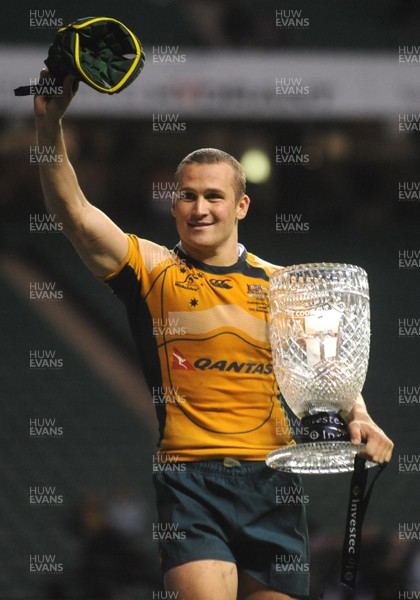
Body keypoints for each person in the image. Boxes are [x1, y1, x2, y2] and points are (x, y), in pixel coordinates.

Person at [34, 70, 394, 600]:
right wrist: (49, 124)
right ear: (173, 203)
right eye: (187, 196)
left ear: (241, 206)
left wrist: (360, 417)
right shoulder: (151, 270)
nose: (199, 208)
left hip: (273, 485)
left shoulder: (283, 287)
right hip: (191, 484)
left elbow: (328, 371)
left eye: (213, 196)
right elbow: (75, 215)